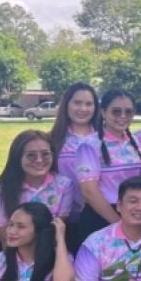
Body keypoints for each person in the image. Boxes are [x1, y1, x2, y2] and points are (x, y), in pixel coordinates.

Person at [0, 130, 74, 277]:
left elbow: (55, 230)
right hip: (3, 248)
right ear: (17, 157)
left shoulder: (65, 185)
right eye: (31, 155)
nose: (39, 160)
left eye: (45, 154)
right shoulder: (0, 190)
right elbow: (5, 238)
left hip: (46, 248)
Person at [74, 89, 141, 251]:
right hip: (101, 217)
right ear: (103, 112)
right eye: (116, 111)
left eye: (128, 111)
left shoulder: (135, 142)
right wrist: (120, 224)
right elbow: (89, 192)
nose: (123, 116)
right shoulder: (89, 145)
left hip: (133, 214)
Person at [48, 81, 98, 230]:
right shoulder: (52, 140)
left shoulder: (105, 137)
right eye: (77, 103)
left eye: (89, 104)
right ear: (66, 105)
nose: (83, 109)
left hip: (101, 214)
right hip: (64, 217)